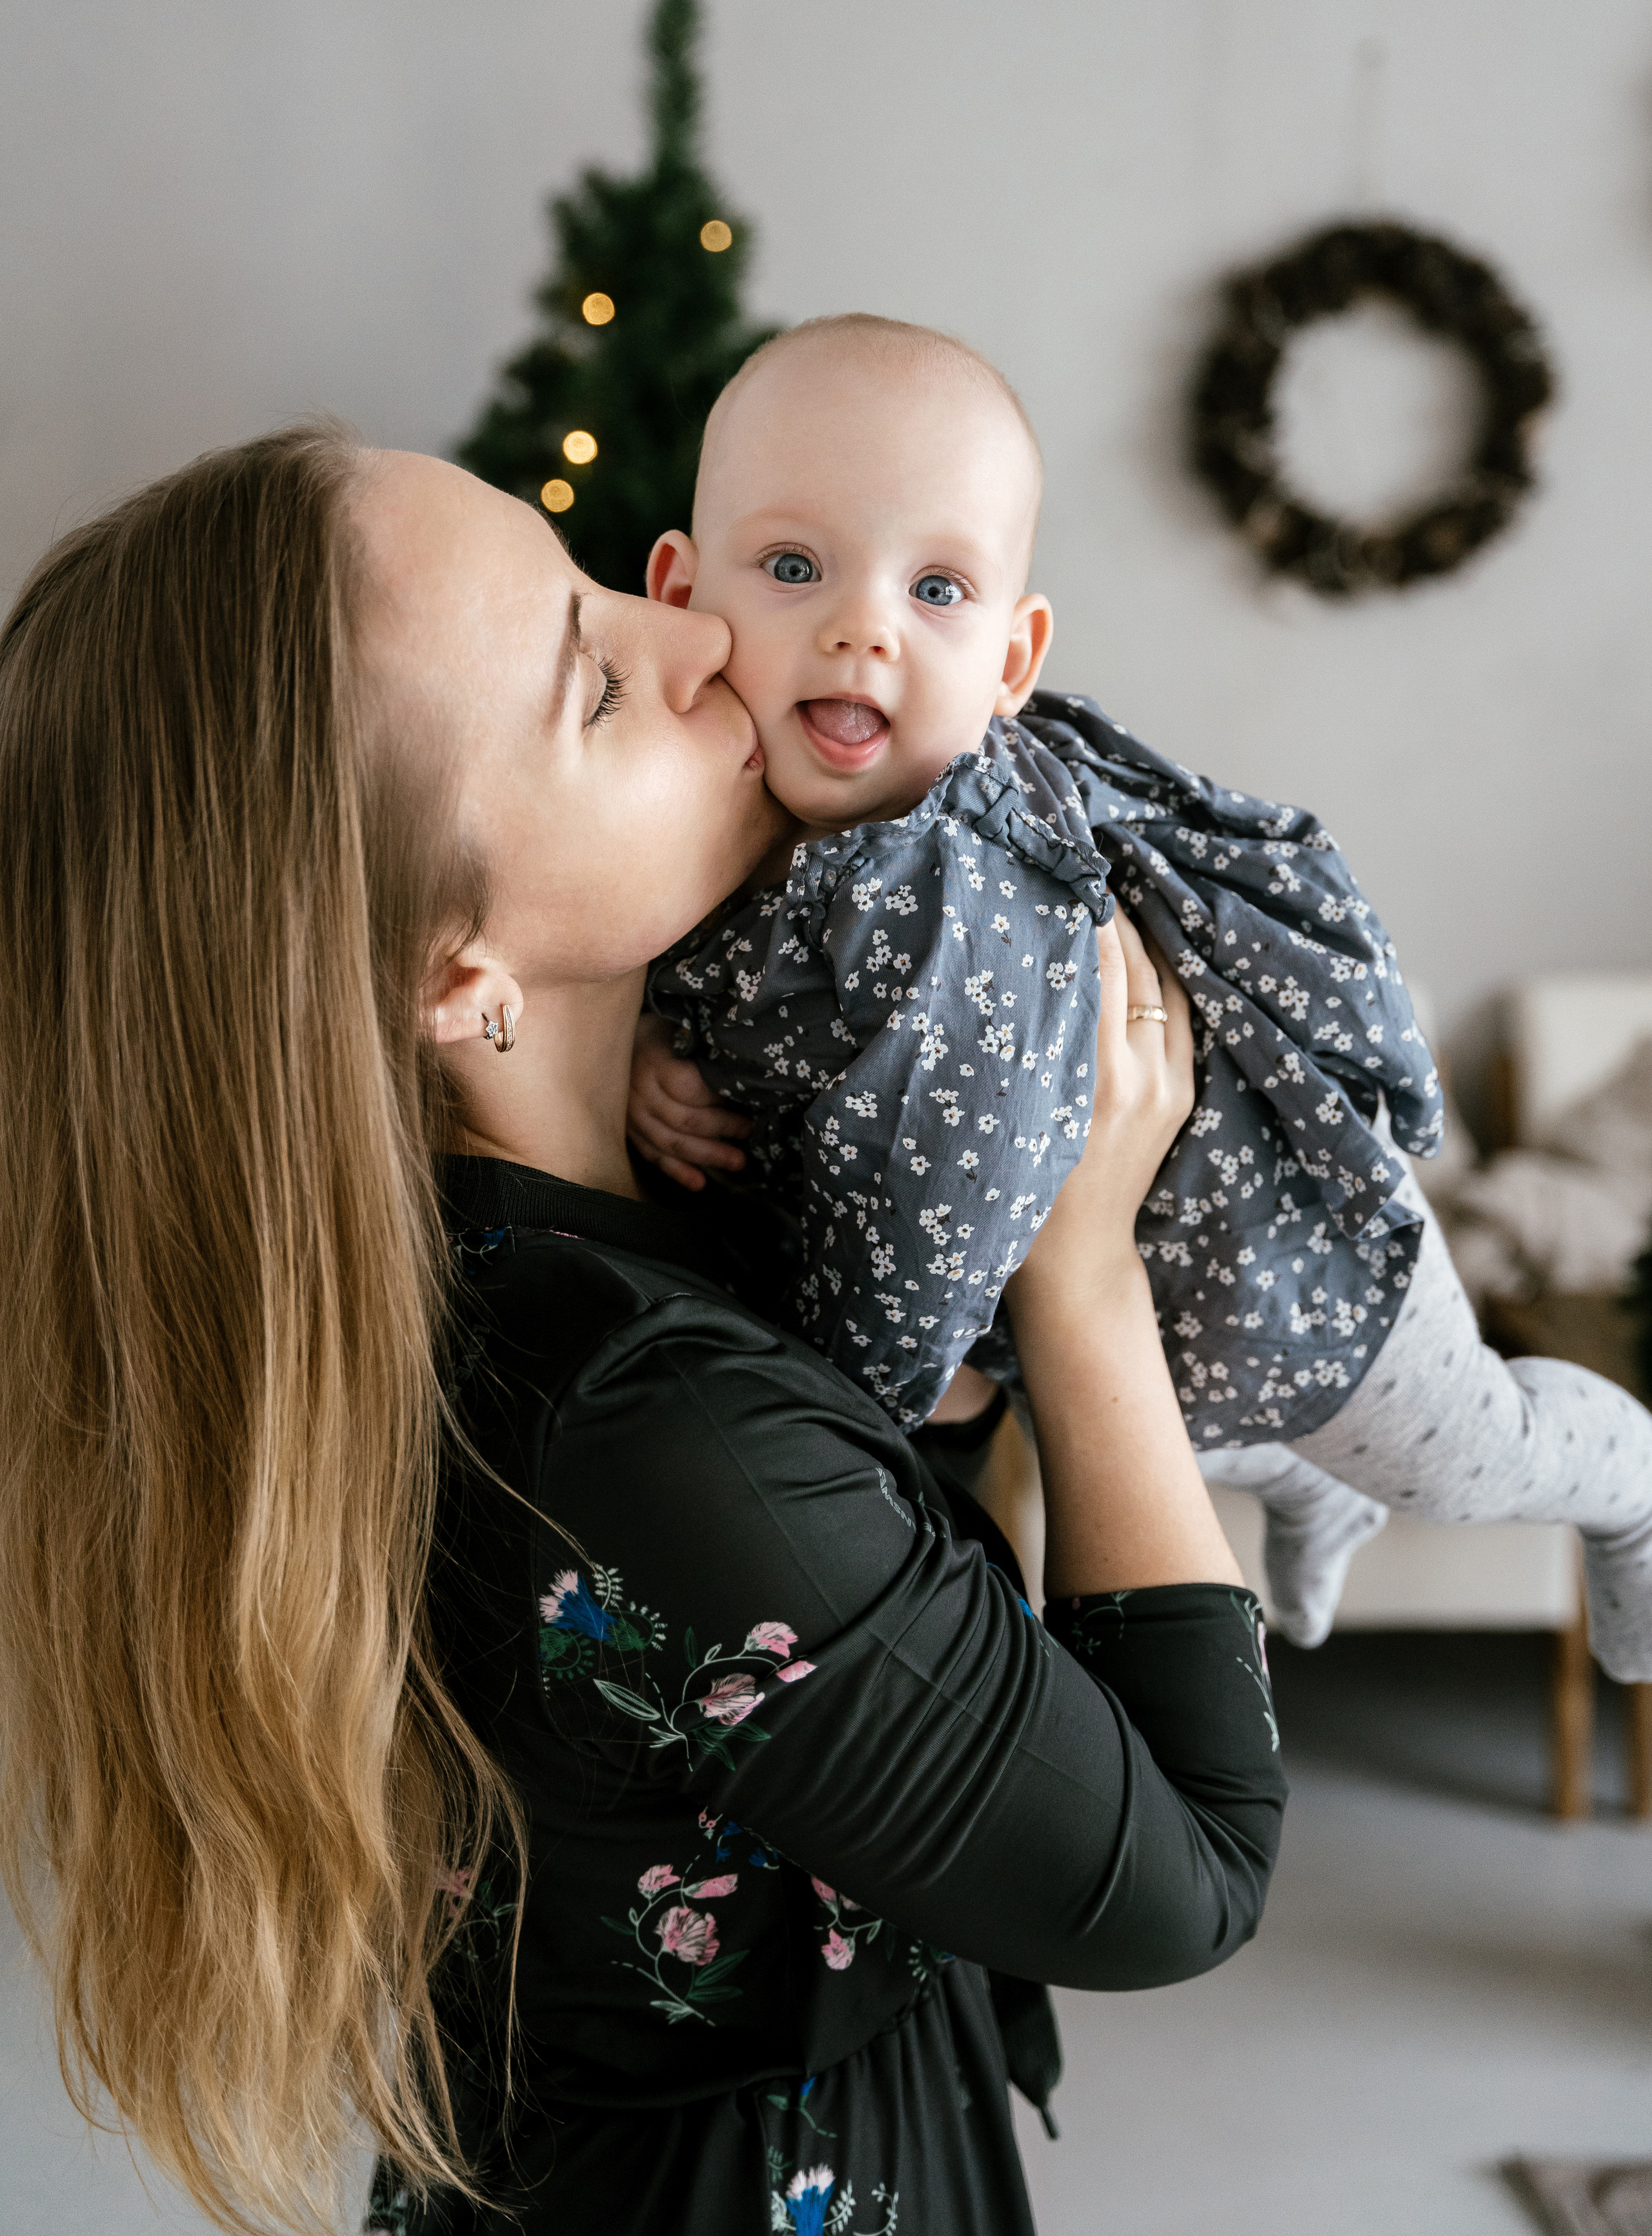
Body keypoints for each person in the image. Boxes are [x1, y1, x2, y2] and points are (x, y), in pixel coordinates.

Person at [0, 425, 1285, 2236]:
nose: (691, 627)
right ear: (459, 972)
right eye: (597, 682)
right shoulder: (642, 1423)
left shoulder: (582, 1210)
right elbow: (1187, 1870)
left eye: (594, 570)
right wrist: (1084, 1276)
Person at [627, 314, 1652, 1680]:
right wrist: (643, 1049)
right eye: (794, 564)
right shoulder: (712, 808)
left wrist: (835, 1420)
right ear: (679, 587)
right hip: (1103, 1321)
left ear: (1009, 657)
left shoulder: (950, 885)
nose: (860, 625)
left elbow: (944, 1209)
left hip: (1298, 1259)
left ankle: (1625, 1479)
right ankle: (1308, 1484)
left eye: (936, 589)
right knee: (1094, 1410)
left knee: (1461, 1460)